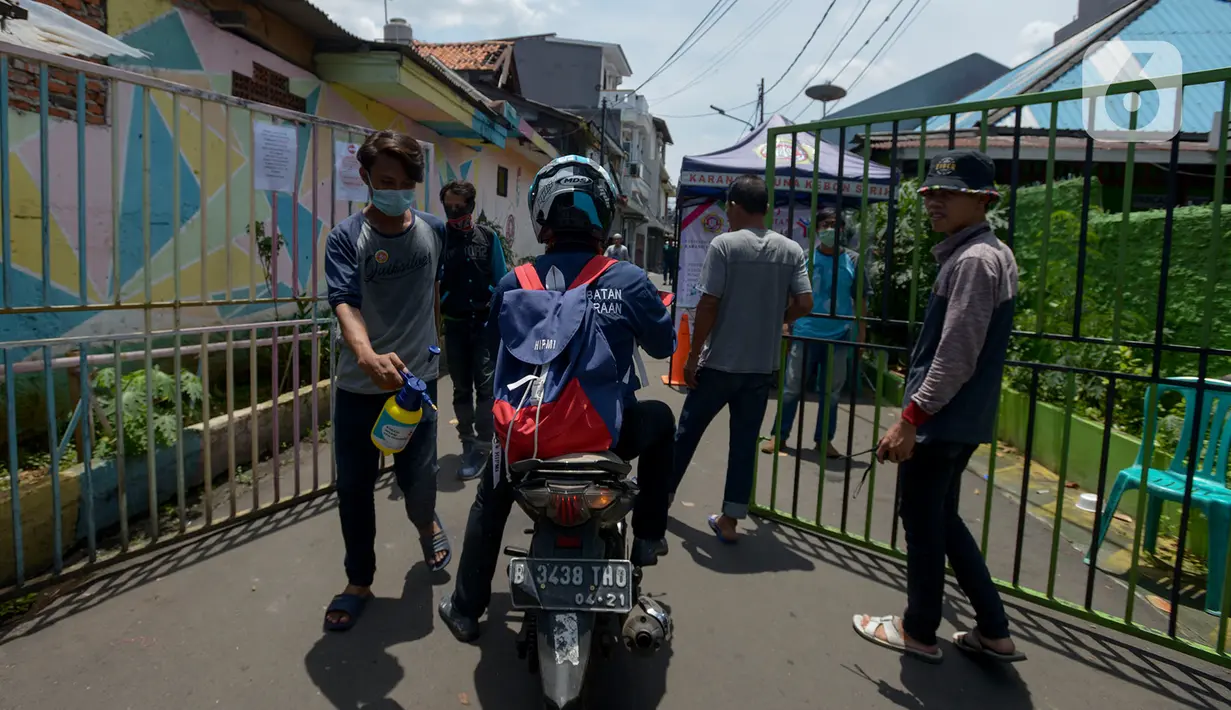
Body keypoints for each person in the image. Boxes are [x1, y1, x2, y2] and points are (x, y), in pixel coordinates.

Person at [438, 155, 677, 642]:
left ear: (541, 219)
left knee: (491, 498)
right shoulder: (628, 279)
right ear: (603, 218)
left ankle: (466, 608)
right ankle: (649, 538)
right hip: (606, 435)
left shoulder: (514, 283)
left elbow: (490, 349)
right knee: (660, 420)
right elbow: (664, 347)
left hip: (530, 439)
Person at [853, 150, 1025, 664]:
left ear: (983, 200)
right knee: (942, 519)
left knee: (923, 523)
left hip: (940, 419)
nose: (934, 202)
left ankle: (919, 630)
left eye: (949, 194)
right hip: (960, 418)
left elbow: (956, 353)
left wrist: (910, 418)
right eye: (931, 192)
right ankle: (994, 630)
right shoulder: (989, 253)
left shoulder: (974, 261)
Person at [321, 130, 451, 632]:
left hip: (415, 388)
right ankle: (359, 581)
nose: (393, 190)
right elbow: (344, 304)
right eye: (384, 181)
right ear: (367, 180)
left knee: (418, 479)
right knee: (353, 487)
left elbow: (435, 294)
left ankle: (426, 523)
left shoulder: (434, 232)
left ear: (414, 184)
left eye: (402, 182)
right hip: (359, 387)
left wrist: (436, 350)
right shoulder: (345, 238)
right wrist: (366, 353)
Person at [670, 175, 813, 544]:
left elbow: (709, 303)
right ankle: (731, 520)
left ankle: (660, 498)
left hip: (719, 364)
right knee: (744, 443)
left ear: (734, 205)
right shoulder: (791, 250)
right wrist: (776, 320)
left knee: (686, 433)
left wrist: (691, 357)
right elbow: (805, 303)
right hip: (761, 367)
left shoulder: (724, 245)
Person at [761, 207, 871, 457]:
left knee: (831, 392)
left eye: (835, 224)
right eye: (825, 224)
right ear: (817, 229)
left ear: (843, 230)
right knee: (791, 387)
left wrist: (861, 336)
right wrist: (787, 325)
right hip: (805, 331)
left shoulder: (852, 260)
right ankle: (779, 435)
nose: (830, 229)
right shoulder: (806, 257)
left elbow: (861, 301)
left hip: (840, 334)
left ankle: (824, 440)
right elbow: (792, 294)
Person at [438, 180, 508, 481]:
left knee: (485, 387)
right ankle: (467, 443)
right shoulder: (438, 238)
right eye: (449, 206)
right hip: (454, 326)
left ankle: (483, 445)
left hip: (483, 325)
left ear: (471, 205)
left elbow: (503, 280)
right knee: (461, 388)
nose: (455, 211)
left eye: (460, 205)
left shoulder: (488, 238)